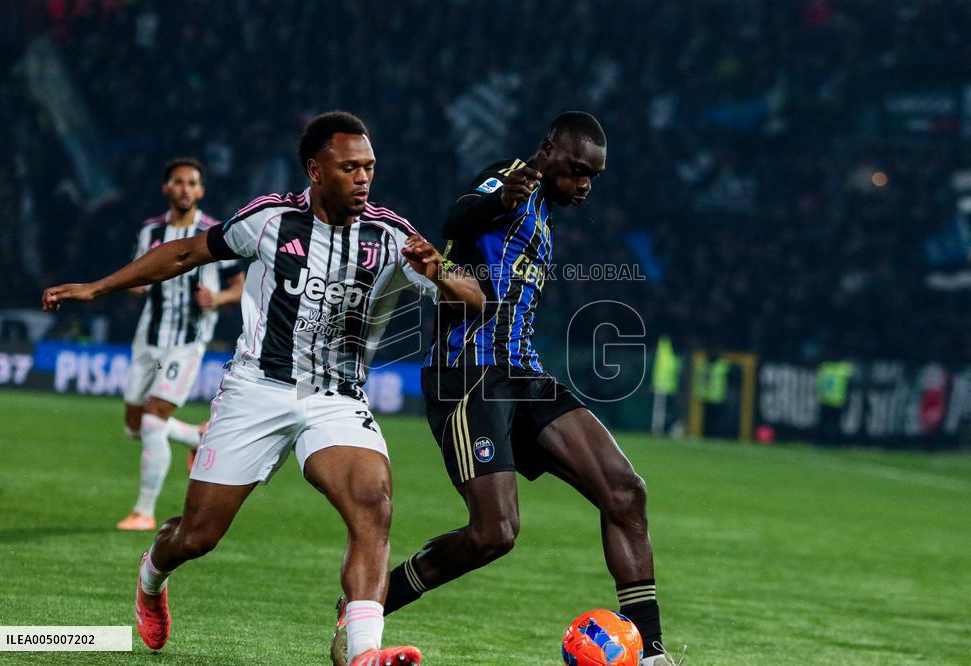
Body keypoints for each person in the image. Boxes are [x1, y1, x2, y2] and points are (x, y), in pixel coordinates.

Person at [43, 111, 484, 666]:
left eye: (369, 167)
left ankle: (362, 652)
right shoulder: (270, 219)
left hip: (336, 397)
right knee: (198, 536)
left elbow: (476, 299)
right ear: (315, 169)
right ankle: (153, 573)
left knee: (372, 506)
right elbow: (184, 253)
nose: (364, 179)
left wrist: (440, 269)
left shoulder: (392, 235)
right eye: (350, 168)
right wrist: (96, 288)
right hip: (256, 388)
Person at [335, 112, 682, 665]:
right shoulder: (510, 178)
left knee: (625, 491)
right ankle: (371, 603)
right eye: (575, 171)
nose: (583, 185)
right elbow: (458, 216)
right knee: (494, 532)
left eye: (592, 176)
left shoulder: (543, 211)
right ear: (548, 151)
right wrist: (499, 199)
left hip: (521, 372)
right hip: (468, 374)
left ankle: (653, 654)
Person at [118, 157, 245, 532]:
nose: (185, 188)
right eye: (178, 182)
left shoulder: (213, 233)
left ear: (201, 190)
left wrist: (219, 299)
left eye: (192, 183)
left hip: (187, 343)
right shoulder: (150, 232)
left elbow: (238, 286)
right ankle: (196, 435)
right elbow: (138, 272)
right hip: (149, 341)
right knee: (133, 425)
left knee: (154, 419)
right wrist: (134, 283)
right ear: (167, 188)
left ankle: (143, 512)